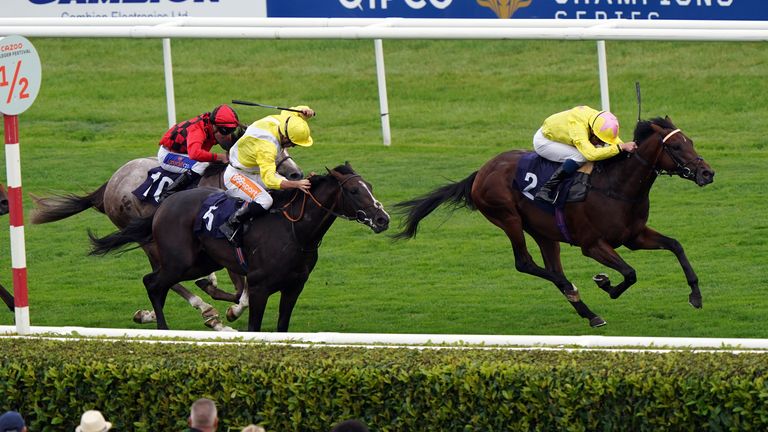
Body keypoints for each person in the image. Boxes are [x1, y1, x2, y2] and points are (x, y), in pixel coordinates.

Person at [218, 105, 316, 243]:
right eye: (293, 144)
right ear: (285, 136)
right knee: (265, 201)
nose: (292, 147)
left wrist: (306, 111)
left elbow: (293, 111)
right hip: (236, 176)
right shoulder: (267, 147)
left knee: (284, 188)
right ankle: (231, 224)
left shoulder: (281, 121)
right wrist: (295, 183)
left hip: (253, 170)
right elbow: (270, 180)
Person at [532, 105, 637, 204]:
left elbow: (615, 143)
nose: (601, 143)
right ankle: (546, 189)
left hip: (560, 134)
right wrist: (620, 147)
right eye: (600, 140)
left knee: (599, 149)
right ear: (592, 131)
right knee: (581, 156)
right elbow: (591, 155)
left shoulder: (598, 121)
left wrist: (629, 147)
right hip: (545, 141)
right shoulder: (579, 129)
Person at [157, 104, 241, 201]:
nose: (228, 137)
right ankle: (167, 195)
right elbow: (195, 154)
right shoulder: (197, 129)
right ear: (215, 127)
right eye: (225, 132)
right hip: (168, 156)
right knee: (202, 165)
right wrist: (219, 157)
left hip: (184, 153)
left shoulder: (211, 126)